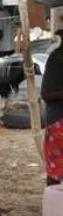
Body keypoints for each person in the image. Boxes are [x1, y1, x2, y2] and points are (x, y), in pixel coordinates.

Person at [41, 29, 63, 186]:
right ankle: (53, 208)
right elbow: (46, 94)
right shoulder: (56, 58)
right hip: (58, 122)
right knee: (56, 173)